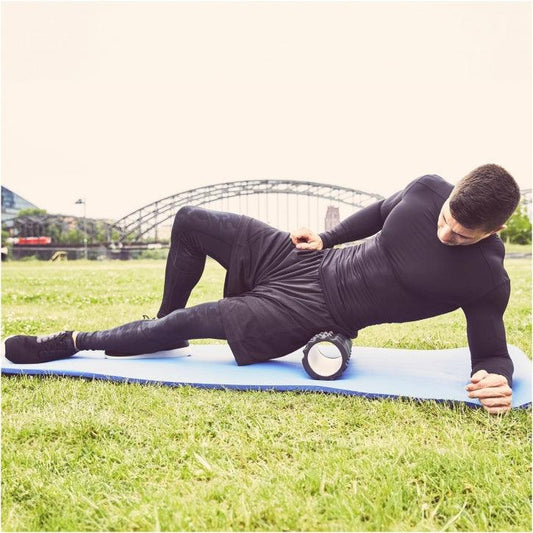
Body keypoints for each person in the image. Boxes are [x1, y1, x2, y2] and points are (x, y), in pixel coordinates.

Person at [4, 163, 520, 414]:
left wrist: (496, 378)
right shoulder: (427, 190)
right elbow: (381, 212)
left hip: (313, 312)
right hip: (303, 260)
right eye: (446, 220)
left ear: (494, 231)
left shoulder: (485, 278)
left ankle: (73, 342)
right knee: (191, 220)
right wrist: (327, 237)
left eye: (462, 236)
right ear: (450, 194)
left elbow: (492, 354)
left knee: (195, 319)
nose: (446, 234)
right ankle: (164, 330)